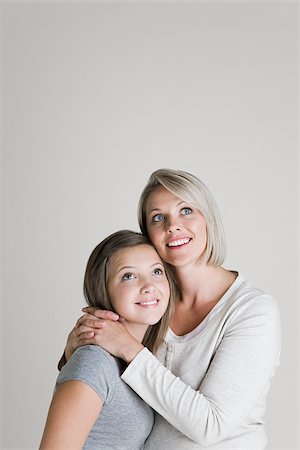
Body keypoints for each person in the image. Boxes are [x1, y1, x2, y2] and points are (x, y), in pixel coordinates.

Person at [60, 169, 281, 450]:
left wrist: (129, 348)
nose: (173, 226)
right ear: (147, 234)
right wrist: (73, 350)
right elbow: (104, 382)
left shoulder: (252, 311)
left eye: (186, 210)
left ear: (208, 219)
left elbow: (210, 425)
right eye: (158, 218)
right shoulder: (151, 303)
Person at [40, 230, 178, 450]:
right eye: (129, 276)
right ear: (103, 289)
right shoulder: (95, 363)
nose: (149, 285)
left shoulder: (141, 361)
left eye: (157, 271)